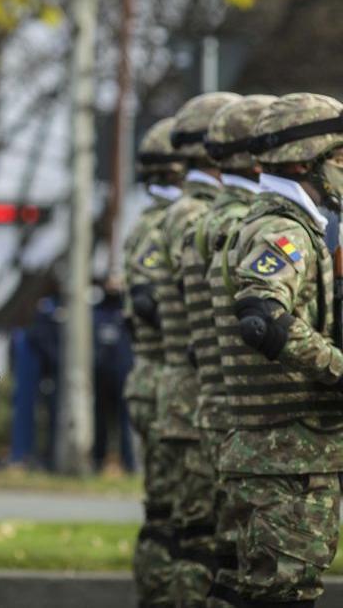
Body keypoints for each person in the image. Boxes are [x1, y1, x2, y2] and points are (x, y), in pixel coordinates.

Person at [207, 92, 343, 606]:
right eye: (342, 159)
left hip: (282, 454)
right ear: (306, 161)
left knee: (255, 592)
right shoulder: (283, 229)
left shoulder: (289, 223)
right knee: (281, 595)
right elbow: (262, 316)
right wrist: (336, 367)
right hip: (285, 455)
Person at [180, 95, 276, 586]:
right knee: (245, 571)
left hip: (215, 404)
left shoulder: (207, 217)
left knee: (222, 563)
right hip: (245, 414)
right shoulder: (245, 223)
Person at [154, 91, 240, 604]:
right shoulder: (196, 214)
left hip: (188, 389)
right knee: (201, 541)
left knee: (193, 536)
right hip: (197, 391)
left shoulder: (185, 211)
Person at [122, 116, 185, 605]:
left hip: (158, 378)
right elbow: (146, 305)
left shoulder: (159, 221)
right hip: (164, 377)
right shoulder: (158, 225)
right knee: (171, 517)